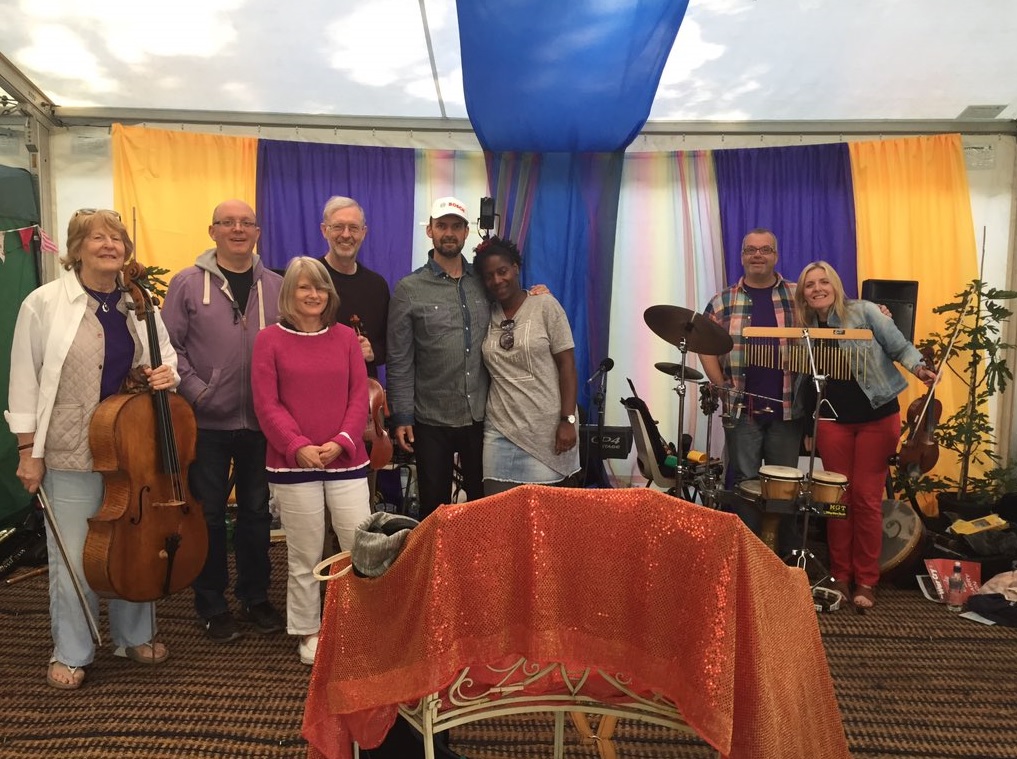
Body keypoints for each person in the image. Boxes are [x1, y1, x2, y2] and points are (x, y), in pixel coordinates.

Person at [7, 208, 178, 689]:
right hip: (69, 448)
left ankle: (133, 636)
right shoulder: (43, 303)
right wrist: (27, 450)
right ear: (76, 249)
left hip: (132, 447)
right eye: (97, 238)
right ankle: (72, 651)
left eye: (116, 238)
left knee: (133, 543)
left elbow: (165, 358)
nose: (109, 245)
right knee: (76, 556)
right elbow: (24, 378)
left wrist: (167, 374)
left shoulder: (140, 304)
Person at [161, 199, 286, 643]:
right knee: (209, 514)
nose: (237, 229)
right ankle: (211, 602)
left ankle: (255, 596)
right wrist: (199, 391)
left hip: (262, 424)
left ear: (257, 232)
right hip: (206, 425)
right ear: (212, 230)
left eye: (246, 222)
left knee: (256, 514)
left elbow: (292, 344)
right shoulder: (186, 284)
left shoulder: (277, 286)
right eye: (227, 222)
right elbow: (167, 346)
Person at [792, 261, 935, 610]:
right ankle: (841, 575)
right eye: (810, 284)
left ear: (836, 285)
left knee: (868, 500)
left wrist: (919, 368)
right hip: (831, 422)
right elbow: (806, 382)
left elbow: (900, 347)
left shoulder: (866, 312)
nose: (817, 288)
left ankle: (867, 579)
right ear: (803, 294)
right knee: (838, 501)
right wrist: (808, 426)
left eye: (824, 281)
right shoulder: (804, 327)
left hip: (877, 417)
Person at [251, 257, 371, 665]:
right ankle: (308, 629)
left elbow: (359, 397)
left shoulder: (346, 338)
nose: (313, 294)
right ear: (289, 292)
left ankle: (358, 625)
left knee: (358, 547)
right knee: (305, 554)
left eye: (320, 287)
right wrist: (297, 444)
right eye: (304, 287)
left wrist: (341, 441)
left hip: (346, 461)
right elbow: (267, 404)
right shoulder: (269, 340)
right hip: (293, 465)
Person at [699, 229, 804, 551]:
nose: (758, 255)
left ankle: (782, 556)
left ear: (776, 255)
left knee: (784, 483)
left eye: (765, 249)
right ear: (742, 255)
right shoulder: (722, 300)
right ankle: (748, 553)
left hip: (788, 408)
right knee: (745, 482)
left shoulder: (798, 295)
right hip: (741, 408)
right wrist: (721, 387)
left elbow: (834, 312)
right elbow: (704, 344)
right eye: (751, 250)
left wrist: (878, 311)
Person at [386, 197, 488, 519]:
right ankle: (437, 554)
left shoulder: (484, 282)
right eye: (442, 225)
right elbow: (400, 359)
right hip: (431, 418)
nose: (449, 233)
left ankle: (478, 553)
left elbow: (512, 304)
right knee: (434, 509)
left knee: (484, 505)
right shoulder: (409, 289)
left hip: (480, 416)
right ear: (430, 230)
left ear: (466, 232)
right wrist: (402, 416)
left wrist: (534, 295)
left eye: (456, 226)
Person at [473, 237, 580, 494]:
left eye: (502, 271)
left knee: (541, 514)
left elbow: (567, 365)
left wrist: (568, 420)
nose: (497, 280)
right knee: (497, 511)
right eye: (489, 276)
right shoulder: (486, 313)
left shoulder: (545, 305)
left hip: (547, 431)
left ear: (516, 267)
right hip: (500, 431)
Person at [317, 196, 390, 378]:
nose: (346, 235)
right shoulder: (309, 279)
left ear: (363, 233)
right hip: (315, 383)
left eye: (354, 228)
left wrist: (372, 352)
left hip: (363, 388)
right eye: (338, 227)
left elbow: (389, 344)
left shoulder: (377, 286)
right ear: (324, 230)